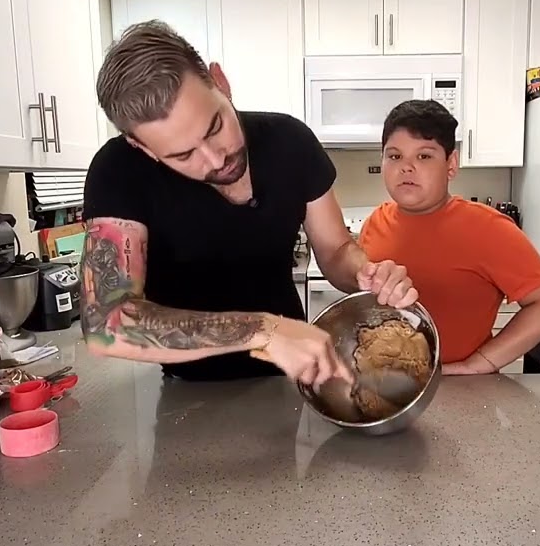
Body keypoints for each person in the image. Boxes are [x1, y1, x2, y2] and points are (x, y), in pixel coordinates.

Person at [80, 20, 418, 386]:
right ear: (142, 147)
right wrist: (264, 330)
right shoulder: (119, 172)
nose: (214, 159)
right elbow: (107, 324)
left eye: (214, 128)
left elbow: (335, 249)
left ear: (220, 83)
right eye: (182, 155)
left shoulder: (290, 142)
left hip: (290, 383)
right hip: (189, 392)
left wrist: (364, 272)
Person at [358, 100, 540, 375]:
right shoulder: (375, 223)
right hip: (387, 387)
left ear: (451, 164)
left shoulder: (490, 229)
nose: (406, 167)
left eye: (424, 156)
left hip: (463, 389)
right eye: (395, 156)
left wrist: (478, 363)